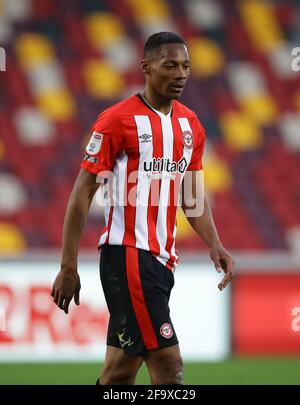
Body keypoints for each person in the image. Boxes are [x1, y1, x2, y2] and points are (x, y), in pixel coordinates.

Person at [51, 32, 235, 385]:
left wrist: (215, 243)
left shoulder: (191, 126)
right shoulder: (116, 120)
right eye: (170, 65)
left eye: (186, 66)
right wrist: (68, 266)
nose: (180, 73)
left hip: (163, 262)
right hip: (129, 256)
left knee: (119, 372)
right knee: (169, 364)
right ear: (146, 68)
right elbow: (82, 193)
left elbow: (191, 192)